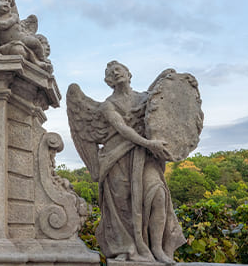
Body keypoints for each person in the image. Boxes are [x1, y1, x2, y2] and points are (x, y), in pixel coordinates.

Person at [68, 62, 185, 263]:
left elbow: (159, 100)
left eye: (119, 69)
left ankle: (156, 248)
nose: (115, 72)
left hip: (145, 156)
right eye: (111, 73)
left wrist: (164, 77)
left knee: (157, 195)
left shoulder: (144, 98)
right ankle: (128, 247)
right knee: (123, 208)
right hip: (117, 159)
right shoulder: (107, 106)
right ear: (108, 81)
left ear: (129, 74)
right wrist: (149, 143)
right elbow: (123, 129)